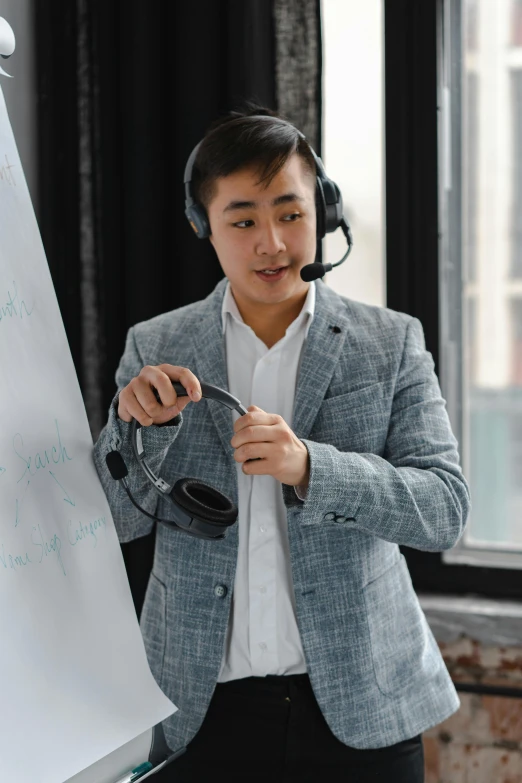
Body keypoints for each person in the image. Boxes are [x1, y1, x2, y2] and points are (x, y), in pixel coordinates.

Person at [93, 103, 471, 782]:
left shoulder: (390, 341)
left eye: (291, 213)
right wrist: (136, 431)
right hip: (200, 713)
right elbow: (113, 521)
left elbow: (444, 509)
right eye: (243, 220)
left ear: (322, 213)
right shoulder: (155, 346)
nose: (272, 242)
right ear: (201, 225)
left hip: (364, 712)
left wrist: (311, 469)